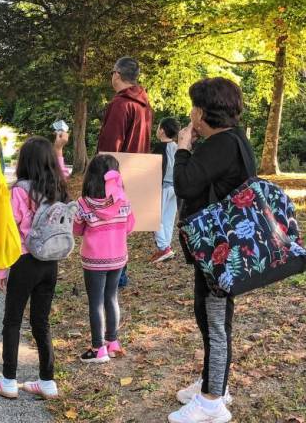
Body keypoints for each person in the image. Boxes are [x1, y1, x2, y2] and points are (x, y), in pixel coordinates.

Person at [168, 78, 253, 423]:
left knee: (215, 321)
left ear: (202, 111)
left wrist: (183, 148)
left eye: (193, 106)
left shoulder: (220, 144)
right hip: (220, 249)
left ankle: (212, 401)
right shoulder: (235, 140)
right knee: (208, 316)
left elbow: (186, 185)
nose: (190, 113)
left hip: (220, 253)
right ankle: (213, 381)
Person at [0, 136, 68, 401]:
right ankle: (47, 381)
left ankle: (8, 379)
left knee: (12, 321)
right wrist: (59, 150)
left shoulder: (19, 191)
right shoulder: (58, 189)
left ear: (25, 161)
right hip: (50, 262)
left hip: (23, 262)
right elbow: (62, 169)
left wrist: (1, 270)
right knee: (41, 322)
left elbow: (7, 234)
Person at [97, 56, 153, 288]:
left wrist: (101, 172)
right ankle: (120, 272)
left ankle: (114, 274)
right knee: (122, 224)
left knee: (108, 224)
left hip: (115, 171)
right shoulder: (144, 105)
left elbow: (111, 144)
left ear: (117, 75)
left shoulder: (121, 104)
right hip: (138, 169)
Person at [73, 154, 135, 363]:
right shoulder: (123, 201)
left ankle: (98, 348)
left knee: (95, 302)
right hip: (118, 258)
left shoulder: (83, 203)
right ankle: (113, 341)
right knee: (111, 297)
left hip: (94, 260)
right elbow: (130, 227)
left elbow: (77, 229)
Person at [150, 117, 180, 263]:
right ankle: (166, 247)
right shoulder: (178, 147)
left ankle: (164, 248)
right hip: (176, 187)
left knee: (154, 218)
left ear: (162, 130)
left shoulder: (159, 148)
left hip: (162, 187)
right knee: (168, 218)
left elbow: (154, 170)